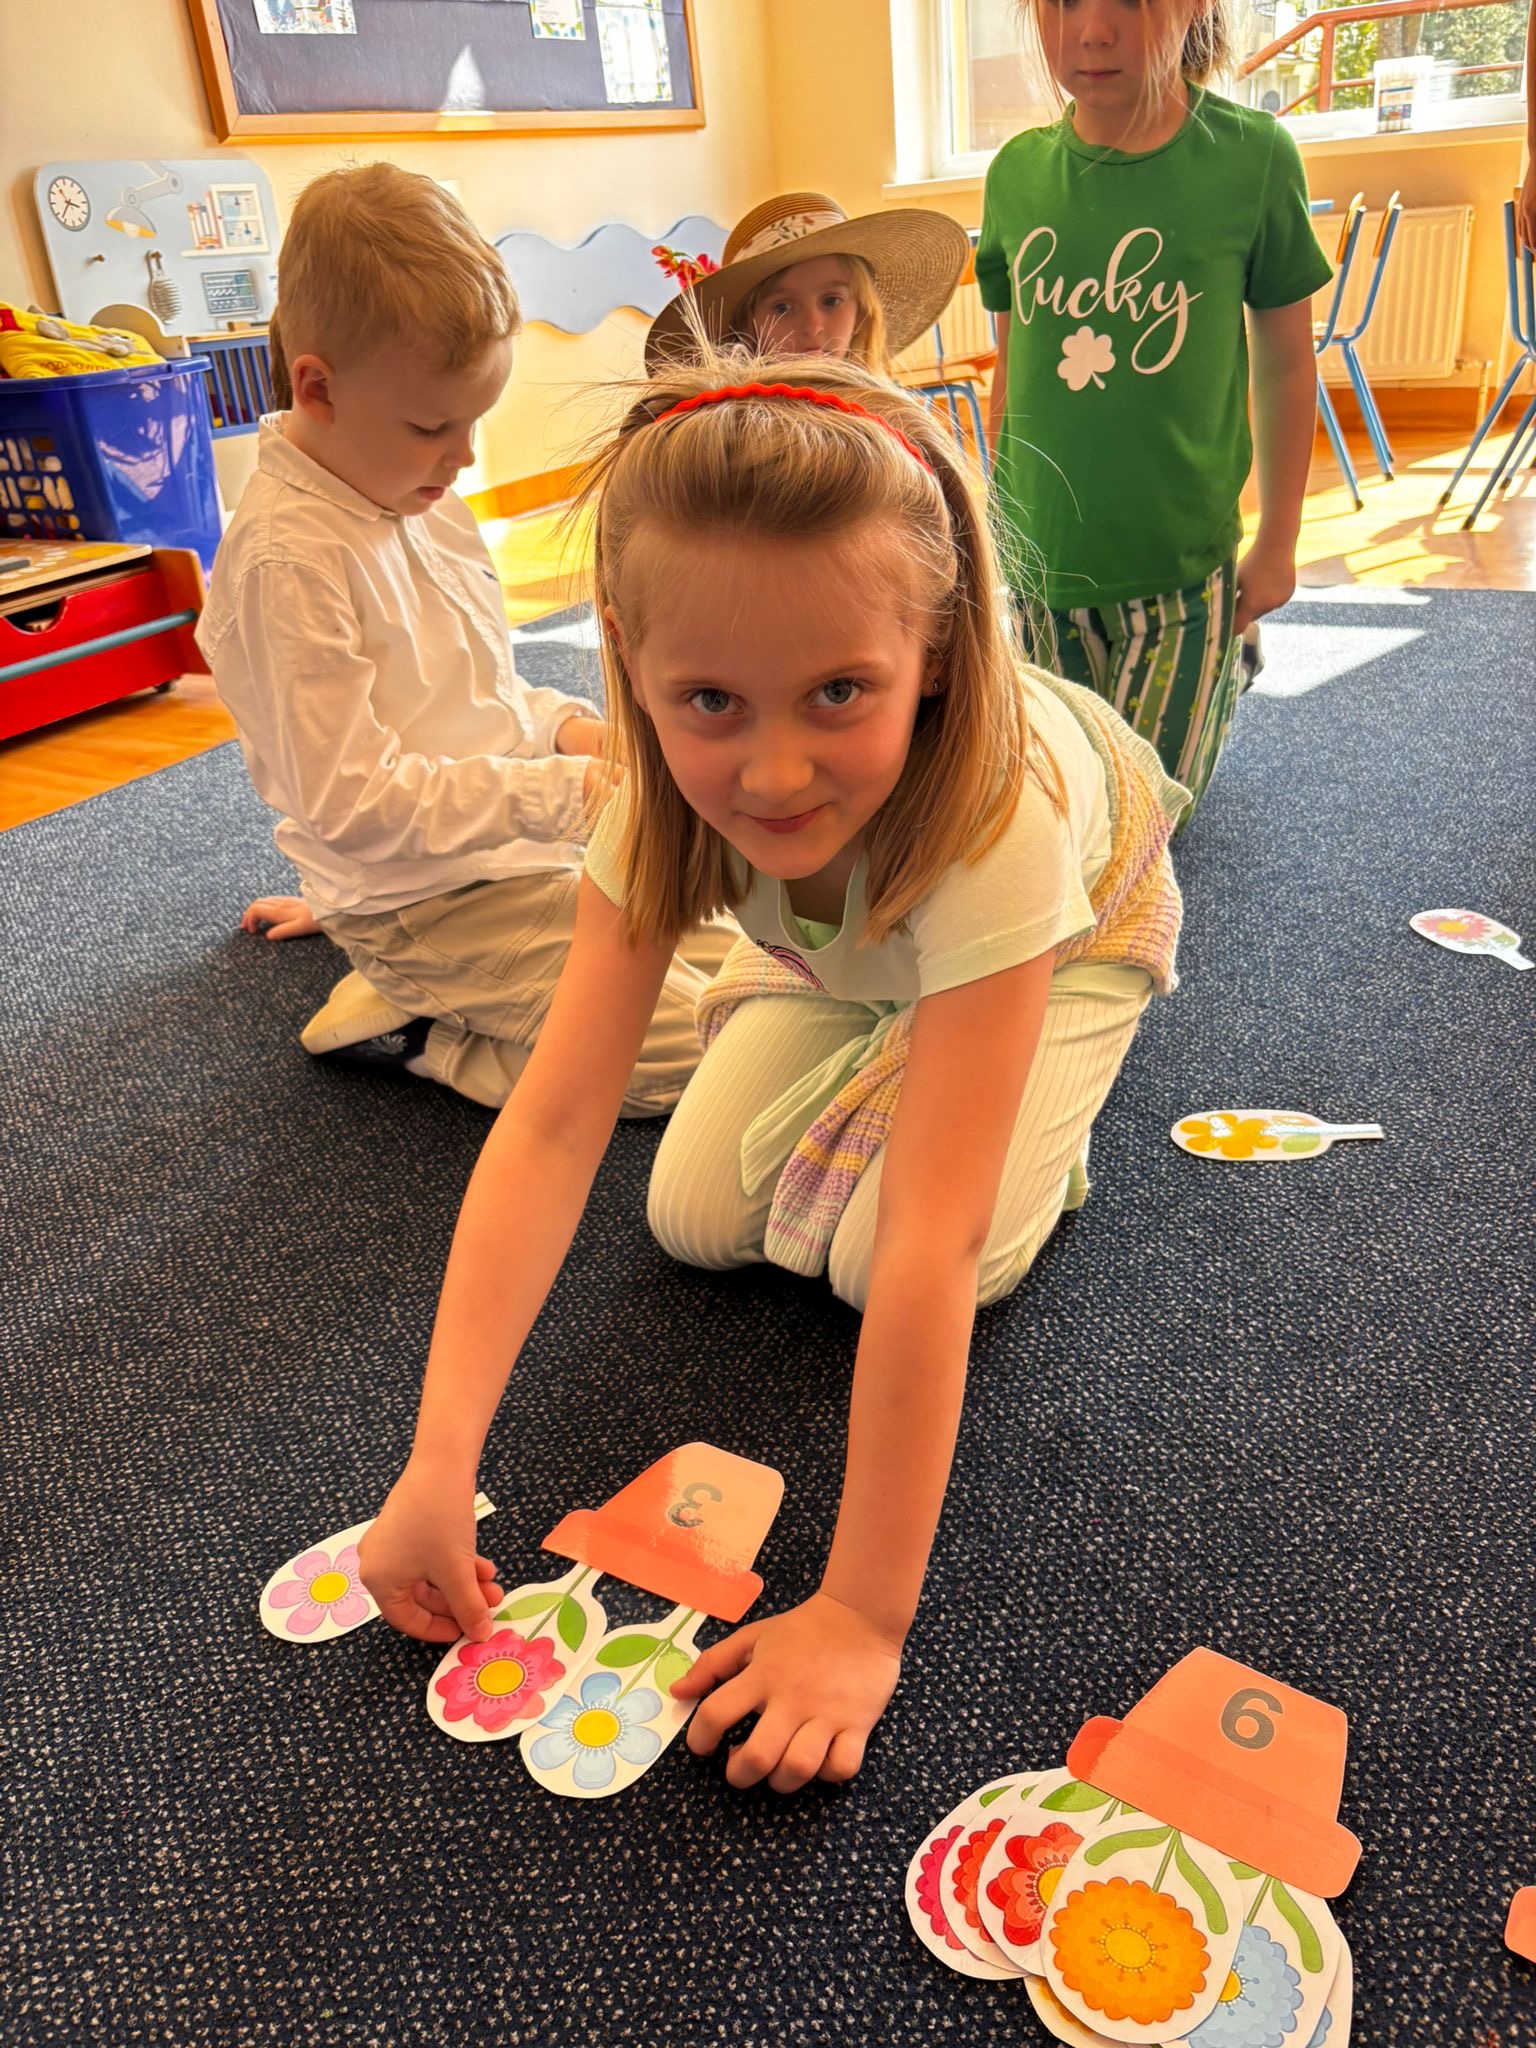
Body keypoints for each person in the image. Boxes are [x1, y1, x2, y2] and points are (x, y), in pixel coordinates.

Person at [358, 350, 1188, 1793]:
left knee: (883, 1255)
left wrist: (862, 1614)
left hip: (1071, 934)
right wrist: (437, 1460)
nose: (777, 773)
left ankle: (1018, 1089)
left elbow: (929, 1242)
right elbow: (553, 1126)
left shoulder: (998, 824)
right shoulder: (659, 805)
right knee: (688, 1212)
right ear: (626, 655)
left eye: (839, 691)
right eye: (711, 702)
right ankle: (913, 1035)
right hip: (845, 958)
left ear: (938, 650)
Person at [199, 164, 733, 1111]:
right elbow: (350, 804)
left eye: (476, 419)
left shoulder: (413, 488)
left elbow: (476, 694)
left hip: (514, 853)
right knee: (692, 1057)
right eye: (433, 424)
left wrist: (572, 733)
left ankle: (443, 991)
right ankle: (424, 1033)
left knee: (751, 964)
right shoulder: (288, 561)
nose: (466, 454)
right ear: (317, 387)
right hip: (423, 906)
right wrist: (565, 794)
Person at [977, 0, 1333, 812]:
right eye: (1065, 1)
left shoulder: (1253, 159)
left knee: (1145, 809)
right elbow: (1015, 366)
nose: (1092, 30)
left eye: (1130, 2)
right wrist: (997, 527)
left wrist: (1278, 543)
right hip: (1044, 564)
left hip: (1180, 570)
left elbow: (1285, 365)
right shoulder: (1016, 175)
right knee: (1065, 802)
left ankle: (1226, 661)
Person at [645, 192, 969, 376]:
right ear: (747, 326)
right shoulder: (736, 433)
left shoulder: (886, 413)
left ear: (861, 310)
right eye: (783, 308)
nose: (813, 326)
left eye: (831, 301)